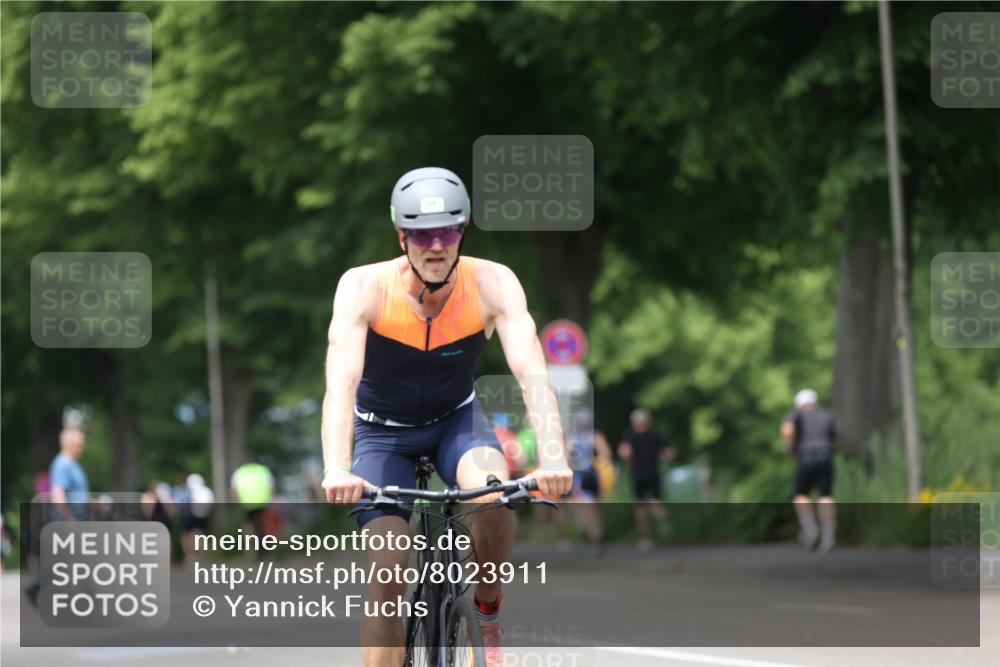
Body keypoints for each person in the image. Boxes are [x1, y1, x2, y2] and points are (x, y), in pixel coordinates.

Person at [320, 166, 573, 667]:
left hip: (455, 422)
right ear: (402, 236)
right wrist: (336, 467)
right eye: (421, 234)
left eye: (448, 231)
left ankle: (486, 605)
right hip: (381, 435)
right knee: (389, 568)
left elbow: (533, 376)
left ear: (463, 231)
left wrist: (553, 459)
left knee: (495, 499)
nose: (435, 246)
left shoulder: (493, 282)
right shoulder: (363, 287)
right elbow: (340, 385)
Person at [27, 427, 90, 606]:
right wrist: (68, 520)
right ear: (66, 444)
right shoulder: (62, 464)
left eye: (82, 444)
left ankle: (36, 588)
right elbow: (58, 494)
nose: (81, 447)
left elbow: (77, 492)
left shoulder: (73, 464)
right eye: (77, 444)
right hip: (67, 520)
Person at [781, 388, 840, 553]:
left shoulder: (796, 414)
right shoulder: (828, 415)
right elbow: (838, 439)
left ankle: (810, 529)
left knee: (801, 496)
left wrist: (789, 447)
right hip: (826, 457)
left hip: (805, 458)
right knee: (826, 496)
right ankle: (828, 536)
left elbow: (787, 430)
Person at [618, 408, 674, 552]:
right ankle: (656, 528)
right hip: (647, 474)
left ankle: (650, 534)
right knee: (648, 503)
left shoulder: (635, 436)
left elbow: (624, 453)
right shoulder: (652, 435)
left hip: (644, 474)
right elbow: (668, 453)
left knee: (644, 505)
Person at [565, 408, 613, 554]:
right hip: (588, 475)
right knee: (590, 507)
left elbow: (566, 458)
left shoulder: (574, 437)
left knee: (587, 507)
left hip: (582, 477)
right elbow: (607, 454)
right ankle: (594, 534)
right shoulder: (592, 435)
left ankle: (595, 536)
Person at [230, 459, 276, 556]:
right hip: (263, 502)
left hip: (247, 503)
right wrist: (273, 500)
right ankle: (267, 546)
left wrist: (234, 502)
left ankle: (250, 548)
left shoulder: (239, 472)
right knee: (263, 524)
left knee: (249, 526)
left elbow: (234, 490)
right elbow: (272, 487)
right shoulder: (263, 470)